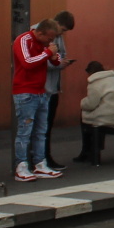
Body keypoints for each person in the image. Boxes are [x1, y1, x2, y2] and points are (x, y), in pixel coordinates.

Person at [12, 18, 64, 181]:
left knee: (41, 131)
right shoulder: (23, 40)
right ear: (40, 33)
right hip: (25, 91)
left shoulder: (44, 44)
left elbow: (57, 61)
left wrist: (54, 56)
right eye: (49, 39)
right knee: (25, 131)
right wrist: (48, 53)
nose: (51, 42)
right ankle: (21, 166)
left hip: (42, 91)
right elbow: (27, 62)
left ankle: (40, 164)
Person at [40, 11, 76, 171]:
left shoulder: (58, 36)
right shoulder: (41, 33)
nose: (62, 34)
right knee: (41, 127)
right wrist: (58, 64)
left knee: (46, 126)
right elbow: (39, 60)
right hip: (43, 87)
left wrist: (62, 61)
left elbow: (60, 55)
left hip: (52, 87)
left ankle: (45, 157)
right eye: (63, 29)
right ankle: (40, 159)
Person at [74, 61, 114, 166]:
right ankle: (93, 149)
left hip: (104, 118)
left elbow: (90, 104)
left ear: (90, 72)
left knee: (86, 116)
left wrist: (82, 102)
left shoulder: (95, 82)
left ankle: (87, 151)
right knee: (98, 116)